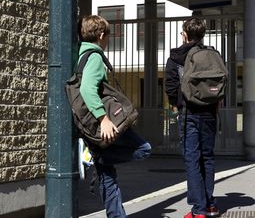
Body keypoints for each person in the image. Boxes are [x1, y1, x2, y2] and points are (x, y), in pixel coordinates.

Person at [77, 15, 151, 218]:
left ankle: (116, 215)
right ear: (101, 35)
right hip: (103, 124)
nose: (109, 39)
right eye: (108, 35)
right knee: (144, 149)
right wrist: (104, 119)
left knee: (107, 175)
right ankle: (99, 155)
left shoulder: (81, 53)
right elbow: (87, 89)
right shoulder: (93, 57)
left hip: (91, 126)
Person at [164, 17, 219, 218]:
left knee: (192, 159)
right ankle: (210, 204)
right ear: (202, 34)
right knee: (208, 157)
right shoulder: (212, 54)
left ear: (185, 34)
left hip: (188, 113)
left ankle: (198, 210)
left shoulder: (177, 57)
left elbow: (170, 86)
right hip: (210, 112)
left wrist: (177, 104)